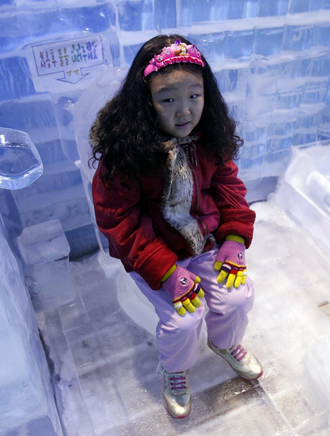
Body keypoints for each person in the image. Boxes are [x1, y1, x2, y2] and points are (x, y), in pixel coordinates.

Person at [90, 34, 262, 419]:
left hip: (204, 244)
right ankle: (175, 370)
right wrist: (166, 272)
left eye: (193, 96)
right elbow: (117, 220)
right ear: (145, 102)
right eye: (168, 100)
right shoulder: (127, 154)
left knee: (236, 297)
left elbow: (229, 187)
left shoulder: (208, 139)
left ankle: (225, 342)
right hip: (156, 255)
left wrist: (233, 238)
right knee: (184, 318)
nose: (184, 111)